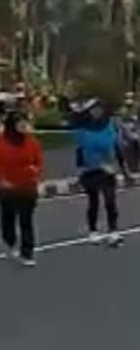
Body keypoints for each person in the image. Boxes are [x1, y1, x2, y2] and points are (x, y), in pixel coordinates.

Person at [0, 110, 44, 266]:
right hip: (8, 188)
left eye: (25, 122)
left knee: (26, 221)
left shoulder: (32, 142)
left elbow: (39, 161)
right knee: (8, 219)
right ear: (12, 125)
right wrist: (1, 180)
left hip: (27, 187)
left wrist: (35, 171)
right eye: (20, 123)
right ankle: (10, 241)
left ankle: (27, 253)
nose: (23, 125)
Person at [73, 100, 124, 246]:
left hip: (108, 170)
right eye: (94, 109)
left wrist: (123, 169)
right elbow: (80, 151)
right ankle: (93, 232)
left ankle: (113, 231)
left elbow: (117, 148)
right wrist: (79, 171)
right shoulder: (83, 130)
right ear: (89, 112)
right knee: (93, 202)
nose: (97, 112)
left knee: (110, 201)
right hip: (90, 171)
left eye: (99, 109)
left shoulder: (109, 127)